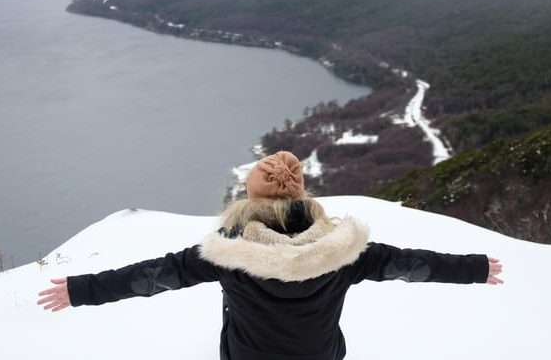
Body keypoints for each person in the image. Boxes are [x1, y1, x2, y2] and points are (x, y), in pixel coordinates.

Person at [37, 150, 503, 360]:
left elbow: (154, 276)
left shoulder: (227, 253)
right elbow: (412, 265)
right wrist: (475, 268)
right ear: (301, 196)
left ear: (249, 200)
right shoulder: (345, 251)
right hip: (321, 354)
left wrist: (81, 290)